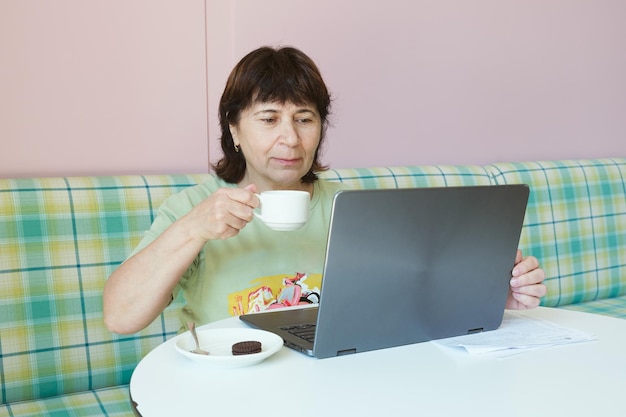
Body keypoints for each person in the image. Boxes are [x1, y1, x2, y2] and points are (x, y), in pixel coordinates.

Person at [103, 46, 546, 335]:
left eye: (305, 118)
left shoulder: (351, 207)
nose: (291, 139)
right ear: (234, 129)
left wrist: (494, 296)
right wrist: (193, 229)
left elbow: (405, 304)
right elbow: (120, 316)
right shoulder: (193, 208)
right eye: (269, 118)